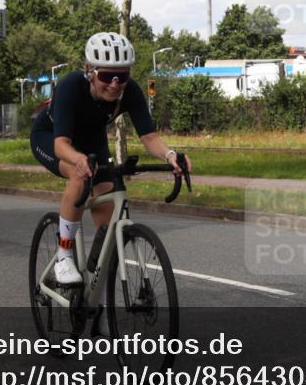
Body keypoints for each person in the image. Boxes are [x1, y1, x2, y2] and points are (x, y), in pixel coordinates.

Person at [29, 32, 191, 285]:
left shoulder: (131, 92)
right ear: (89, 71)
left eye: (122, 76)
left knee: (106, 200)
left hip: (92, 140)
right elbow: (61, 146)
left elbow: (149, 137)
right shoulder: (71, 86)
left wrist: (171, 155)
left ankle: (97, 288)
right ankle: (64, 255)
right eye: (107, 76)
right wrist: (78, 160)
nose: (115, 84)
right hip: (52, 137)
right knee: (79, 176)